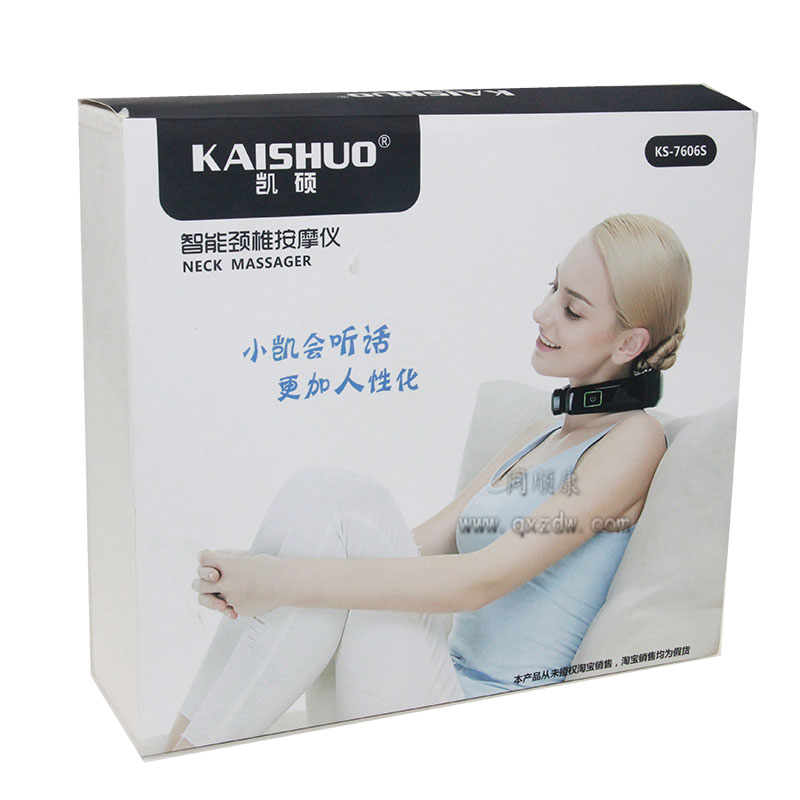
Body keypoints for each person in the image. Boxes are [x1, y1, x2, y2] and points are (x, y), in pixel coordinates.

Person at [166, 213, 691, 751]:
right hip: (426, 682)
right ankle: (180, 751)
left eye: (572, 310)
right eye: (552, 287)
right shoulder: (537, 434)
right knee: (320, 495)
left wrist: (281, 579)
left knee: (348, 505)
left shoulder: (633, 439)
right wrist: (276, 563)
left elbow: (480, 580)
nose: (541, 312)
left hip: (489, 726)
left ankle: (189, 756)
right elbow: (418, 546)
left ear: (628, 344)